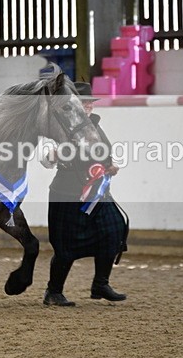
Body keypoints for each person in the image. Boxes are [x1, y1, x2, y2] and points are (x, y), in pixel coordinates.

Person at [41, 81, 128, 306]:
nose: (88, 105)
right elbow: (45, 158)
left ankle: (101, 283)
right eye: (83, 102)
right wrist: (56, 154)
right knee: (65, 245)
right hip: (67, 193)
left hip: (97, 192)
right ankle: (54, 292)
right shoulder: (61, 126)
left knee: (114, 230)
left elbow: (104, 155)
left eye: (90, 102)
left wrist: (111, 167)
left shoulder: (96, 126)